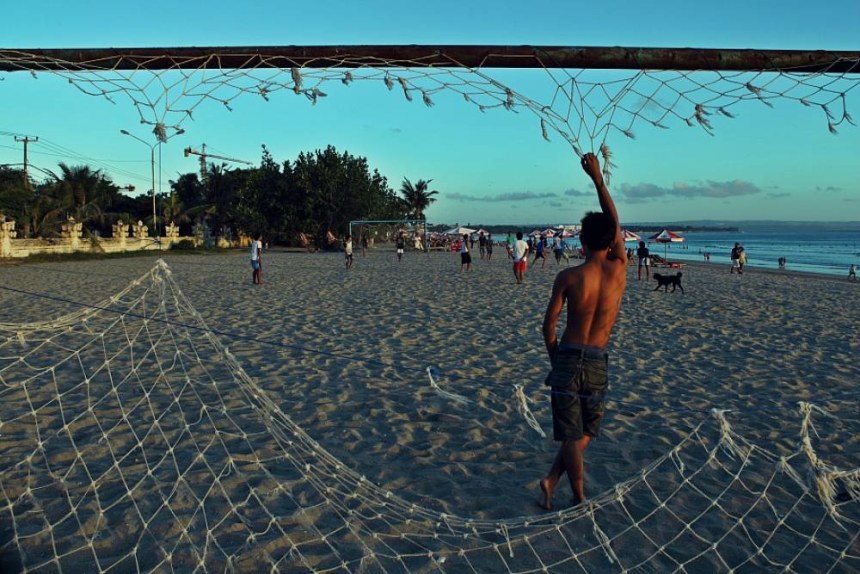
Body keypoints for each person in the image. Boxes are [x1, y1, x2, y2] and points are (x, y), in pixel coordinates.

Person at [538, 152, 627, 510]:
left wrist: (556, 358)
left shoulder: (569, 276)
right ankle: (577, 497)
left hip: (570, 357)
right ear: (610, 243)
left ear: (582, 242)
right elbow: (616, 224)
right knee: (584, 430)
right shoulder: (619, 269)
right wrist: (599, 181)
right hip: (596, 361)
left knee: (579, 432)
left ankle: (552, 481)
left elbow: (548, 326)